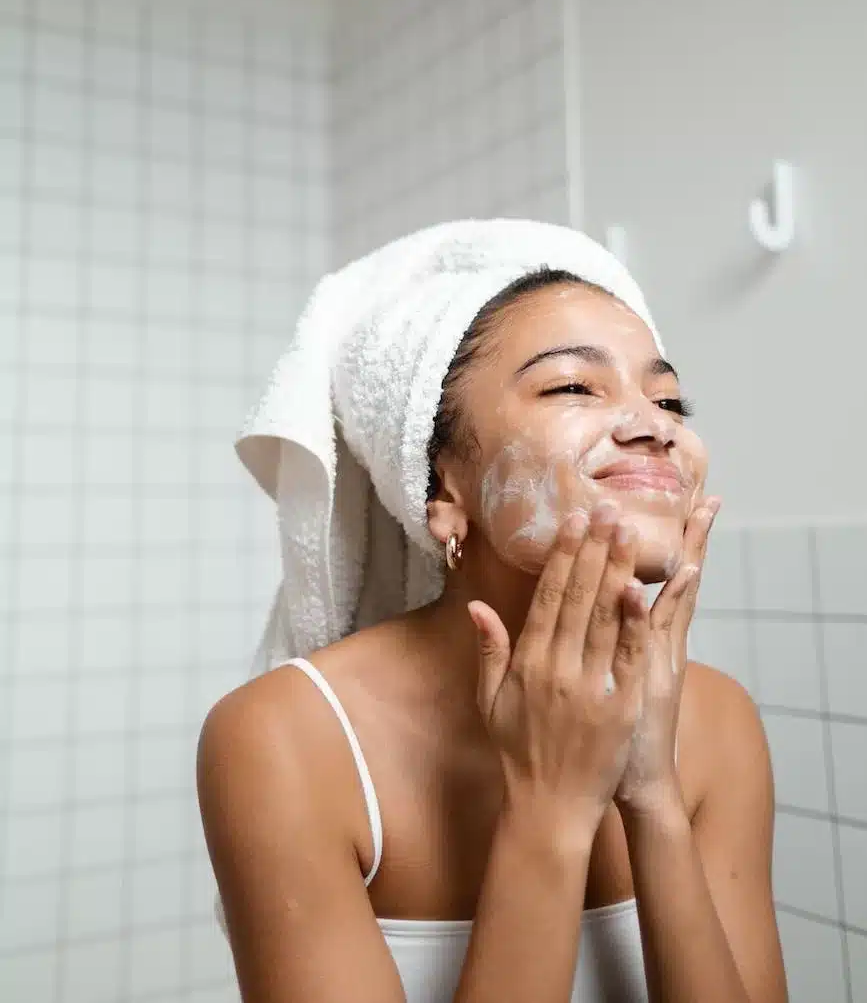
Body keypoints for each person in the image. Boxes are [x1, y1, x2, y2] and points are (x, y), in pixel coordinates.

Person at [197, 221, 787, 1003]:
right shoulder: (285, 737)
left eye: (669, 396)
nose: (654, 424)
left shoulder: (714, 719)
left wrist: (651, 799)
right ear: (441, 485)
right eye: (574, 386)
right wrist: (550, 807)